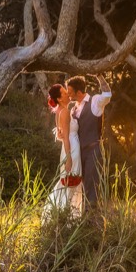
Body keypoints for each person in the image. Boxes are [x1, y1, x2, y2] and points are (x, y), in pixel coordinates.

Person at [68, 74, 111, 209]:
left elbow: (107, 94)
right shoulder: (74, 108)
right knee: (83, 184)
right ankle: (84, 218)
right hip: (80, 152)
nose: (68, 95)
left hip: (94, 149)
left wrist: (99, 76)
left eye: (70, 92)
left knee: (92, 184)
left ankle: (92, 218)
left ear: (79, 92)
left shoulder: (95, 101)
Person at [44, 83, 83, 216]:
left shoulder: (58, 112)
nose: (67, 93)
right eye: (65, 93)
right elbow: (65, 137)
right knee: (72, 183)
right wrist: (69, 159)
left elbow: (60, 135)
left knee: (69, 183)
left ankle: (65, 215)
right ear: (60, 98)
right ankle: (66, 216)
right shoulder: (65, 112)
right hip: (71, 149)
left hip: (67, 148)